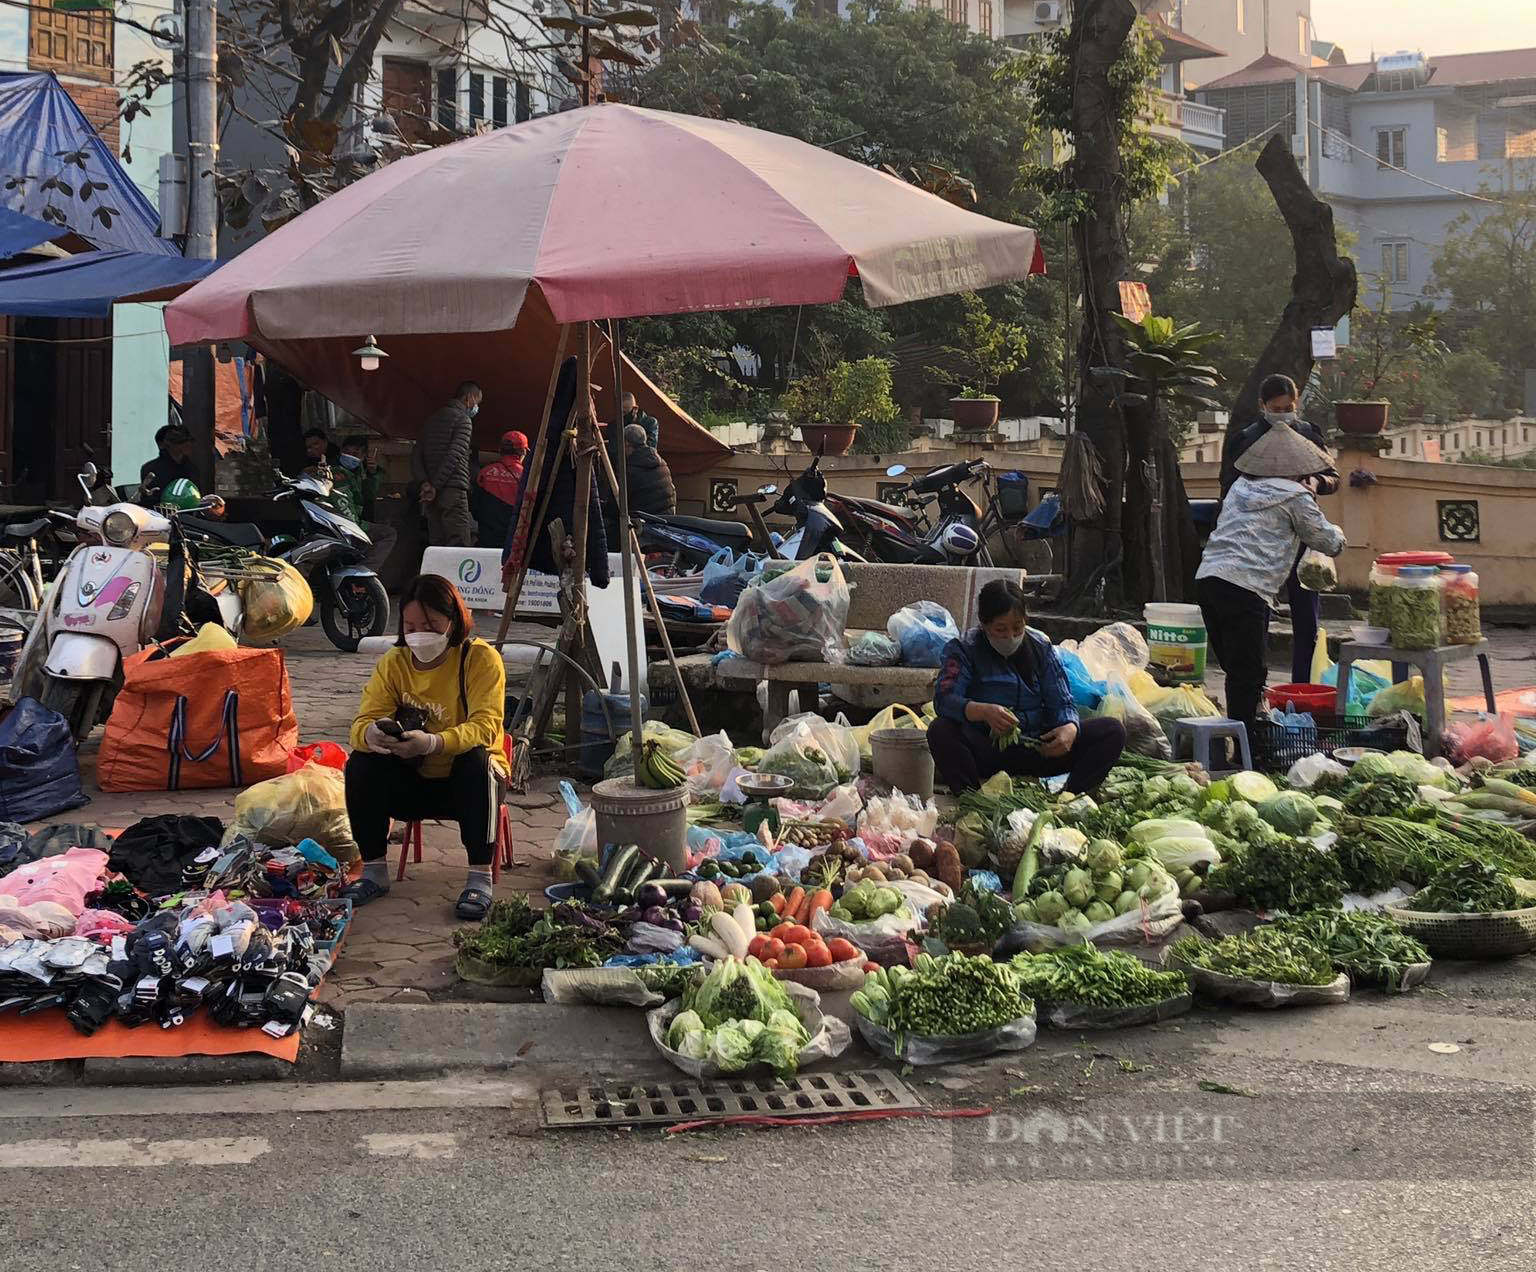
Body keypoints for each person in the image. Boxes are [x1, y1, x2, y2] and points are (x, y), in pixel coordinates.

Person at [343, 575, 509, 920]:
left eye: (431, 624)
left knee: (474, 760)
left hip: (470, 785)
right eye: (411, 625)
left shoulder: (479, 659)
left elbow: (485, 726)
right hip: (413, 780)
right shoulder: (395, 662)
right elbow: (362, 723)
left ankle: (480, 878)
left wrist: (434, 742)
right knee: (361, 763)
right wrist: (374, 735)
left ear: (454, 621)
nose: (420, 633)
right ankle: (373, 870)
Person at [1197, 417, 1347, 728]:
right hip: (1245, 587)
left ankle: (1239, 739)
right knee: (1248, 674)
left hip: (1209, 580)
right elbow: (1328, 542)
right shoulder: (1295, 496)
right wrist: (1336, 529)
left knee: (1239, 672)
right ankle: (1246, 753)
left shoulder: (1240, 487)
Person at [928, 580, 1126, 795]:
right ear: (984, 625)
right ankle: (972, 799)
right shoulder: (964, 649)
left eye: (1017, 628)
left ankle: (1071, 797)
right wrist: (983, 711)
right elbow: (944, 700)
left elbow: (1062, 700)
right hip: (988, 751)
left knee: (1112, 731)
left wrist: (1069, 727)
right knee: (941, 730)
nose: (1010, 637)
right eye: (1000, 629)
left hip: (1039, 748)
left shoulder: (1041, 647)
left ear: (1025, 621)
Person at [1224, 374, 1340, 684]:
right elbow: (1231, 487)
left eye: (1288, 407)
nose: (1283, 414)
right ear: (1262, 406)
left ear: (1297, 403)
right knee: (1256, 615)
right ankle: (1257, 687)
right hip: (1258, 540)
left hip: (1301, 535)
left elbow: (1332, 475)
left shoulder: (1308, 434)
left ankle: (1303, 687)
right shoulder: (1245, 440)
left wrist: (1316, 482)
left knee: (1307, 619)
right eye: (1276, 409)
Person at [413, 380, 482, 547]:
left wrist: (425, 483)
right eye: (477, 402)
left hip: (430, 494)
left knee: (437, 542)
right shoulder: (463, 421)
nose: (476, 407)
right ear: (469, 397)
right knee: (458, 544)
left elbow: (416, 455)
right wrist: (435, 486)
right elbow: (455, 455)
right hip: (453, 490)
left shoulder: (431, 420)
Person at [333, 434, 398, 574]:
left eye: (355, 453)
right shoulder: (336, 473)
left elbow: (368, 495)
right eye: (347, 452)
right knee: (388, 534)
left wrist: (373, 473)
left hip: (354, 522)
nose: (350, 456)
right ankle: (362, 572)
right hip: (346, 524)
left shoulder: (359, 472)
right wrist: (355, 527)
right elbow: (343, 505)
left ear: (363, 456)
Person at [472, 429, 527, 550]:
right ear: (522, 452)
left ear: (501, 450)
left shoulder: (485, 472)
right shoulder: (526, 477)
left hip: (486, 540)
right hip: (512, 543)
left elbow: (474, 507)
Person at [621, 422, 675, 518]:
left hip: (645, 522)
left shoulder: (629, 471)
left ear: (626, 443)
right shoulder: (662, 462)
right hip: (667, 517)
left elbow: (616, 506)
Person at [138, 423, 198, 504]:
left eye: (189, 441)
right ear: (163, 444)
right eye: (181, 441)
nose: (188, 444)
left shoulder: (191, 467)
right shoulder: (151, 469)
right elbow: (151, 501)